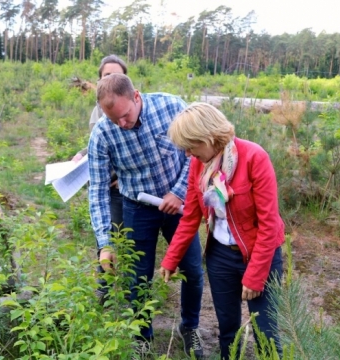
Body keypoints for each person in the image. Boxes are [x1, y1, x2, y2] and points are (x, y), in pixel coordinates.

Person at [88, 73, 204, 359]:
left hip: (178, 206)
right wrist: (105, 243)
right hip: (137, 208)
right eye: (115, 120)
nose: (122, 125)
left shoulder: (172, 107)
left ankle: (189, 328)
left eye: (126, 116)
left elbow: (198, 154)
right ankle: (143, 337)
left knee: (192, 270)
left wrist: (178, 192)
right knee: (138, 277)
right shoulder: (103, 134)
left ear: (136, 96)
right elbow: (98, 191)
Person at [159, 102, 284, 360]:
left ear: (208, 137)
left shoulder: (254, 157)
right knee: (228, 330)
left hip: (260, 256)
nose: (188, 154)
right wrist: (171, 259)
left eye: (191, 146)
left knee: (266, 332)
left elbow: (269, 224)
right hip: (220, 257)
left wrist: (255, 275)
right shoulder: (199, 164)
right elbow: (190, 217)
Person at [71, 55, 128, 302]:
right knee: (106, 234)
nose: (112, 79)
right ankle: (104, 289)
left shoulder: (130, 104)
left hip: (127, 185)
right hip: (108, 185)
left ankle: (131, 291)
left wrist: (123, 175)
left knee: (128, 237)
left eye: (117, 75)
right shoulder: (98, 109)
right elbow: (99, 144)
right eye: (107, 75)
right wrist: (82, 154)